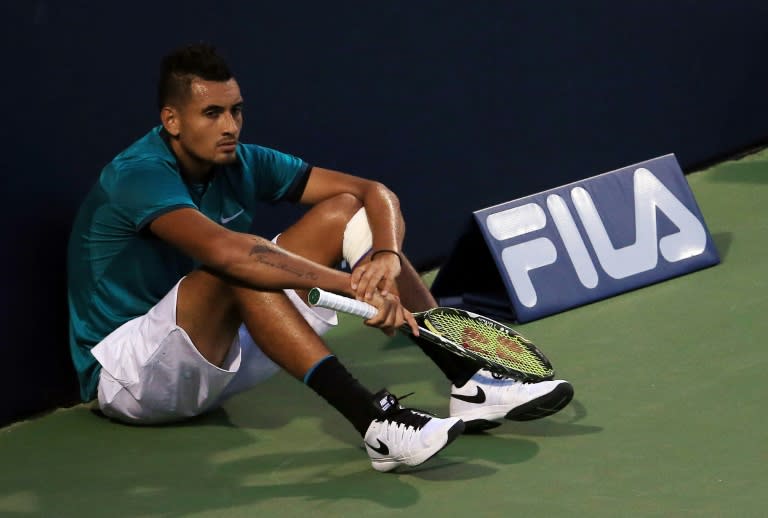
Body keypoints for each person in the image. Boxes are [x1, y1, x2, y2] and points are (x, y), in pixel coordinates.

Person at [67, 43, 574, 473]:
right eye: (212, 113)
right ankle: (377, 426)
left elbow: (373, 192)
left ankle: (470, 380)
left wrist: (385, 259)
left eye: (236, 110)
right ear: (171, 120)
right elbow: (229, 253)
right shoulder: (138, 175)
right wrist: (348, 283)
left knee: (345, 213)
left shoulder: (243, 161)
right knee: (241, 264)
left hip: (214, 350)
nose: (230, 126)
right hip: (129, 377)